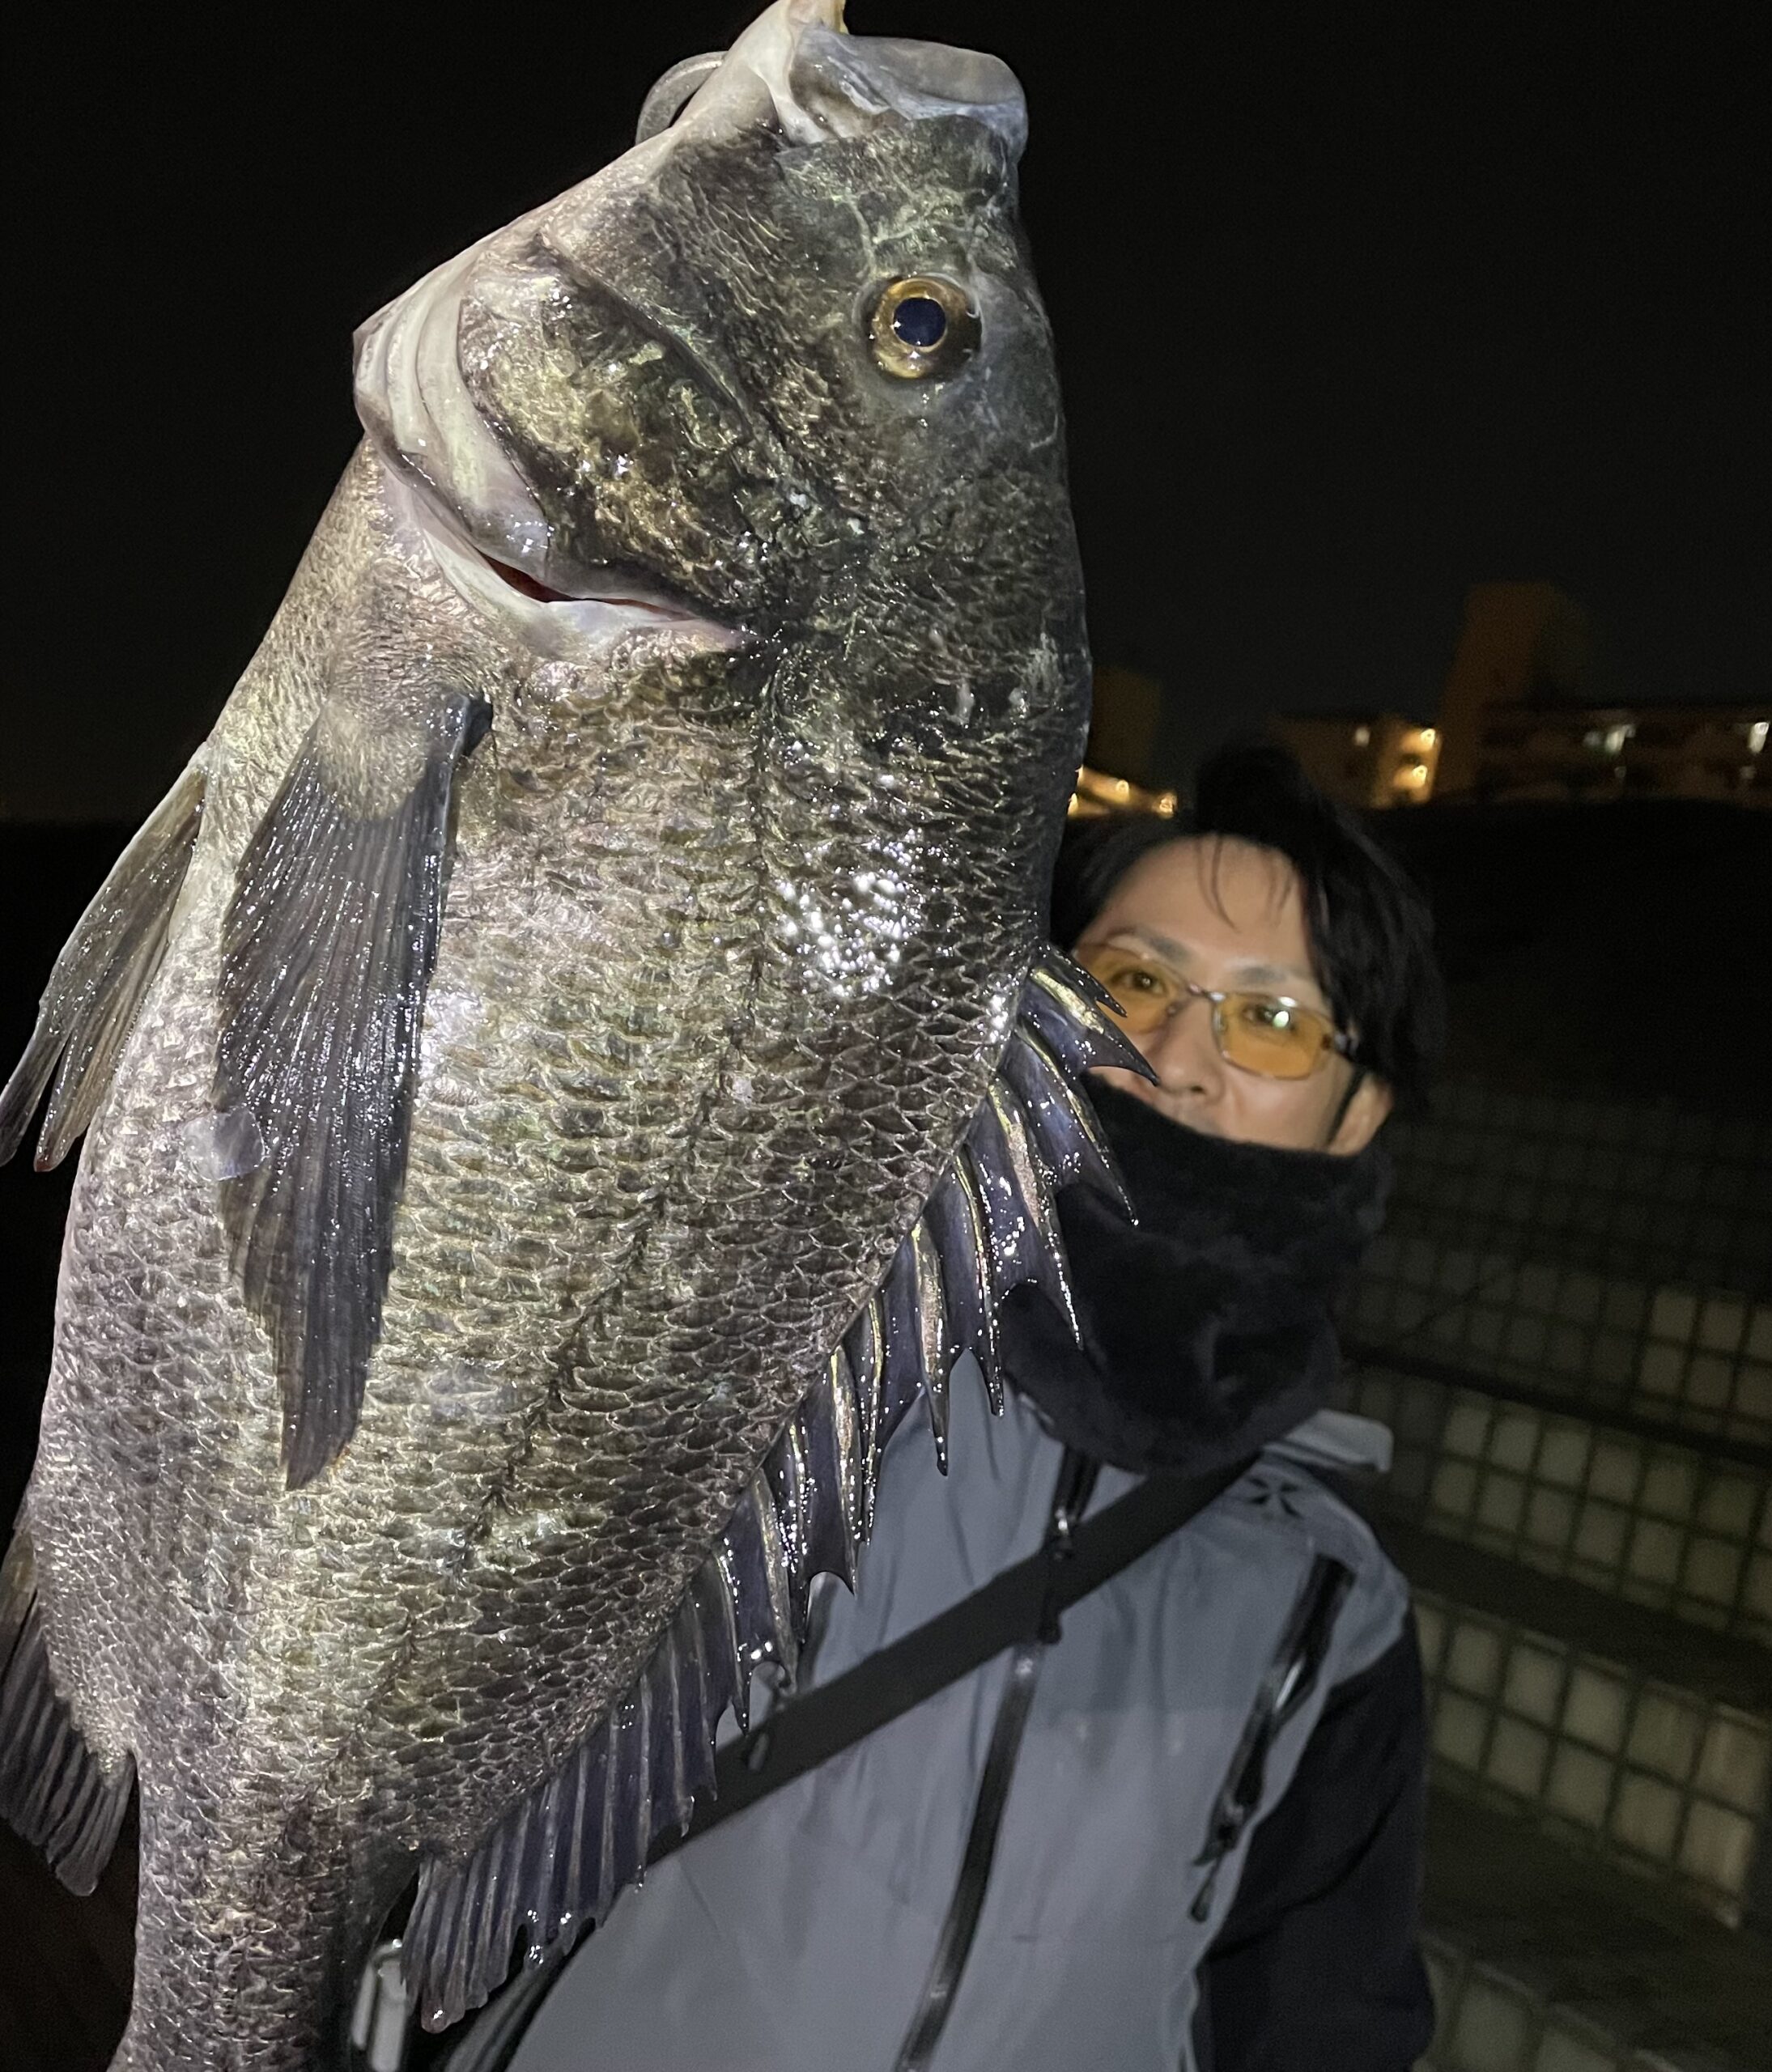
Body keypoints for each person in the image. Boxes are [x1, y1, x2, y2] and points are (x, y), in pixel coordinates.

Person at [505, 741, 1445, 2072]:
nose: (1171, 1050)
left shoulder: (1328, 1614)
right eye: (1131, 978)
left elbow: (1318, 2028)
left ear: (1357, 1119)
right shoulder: (782, 1367)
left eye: (1272, 1019)